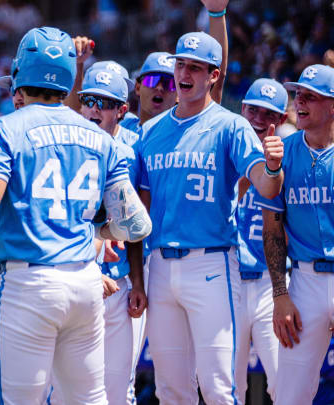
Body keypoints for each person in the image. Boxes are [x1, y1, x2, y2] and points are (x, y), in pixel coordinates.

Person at [0, 27, 151, 404]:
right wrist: (97, 233)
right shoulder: (102, 138)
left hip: (28, 286)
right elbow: (136, 225)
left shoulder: (4, 129)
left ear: (21, 76)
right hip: (85, 284)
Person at [132, 31, 284, 404]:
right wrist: (137, 278)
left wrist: (274, 166)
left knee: (218, 386)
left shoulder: (231, 125)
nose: (185, 73)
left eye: (196, 68)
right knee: (170, 389)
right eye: (181, 63)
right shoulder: (149, 132)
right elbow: (138, 212)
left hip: (212, 264)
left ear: (213, 76)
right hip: (160, 268)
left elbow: (265, 186)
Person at [255, 64, 334, 405]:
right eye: (298, 94)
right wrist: (280, 295)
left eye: (311, 96)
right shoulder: (282, 154)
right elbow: (271, 231)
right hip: (305, 282)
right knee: (290, 396)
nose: (299, 100)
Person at [78, 67, 142, 404]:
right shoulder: (67, 146)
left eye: (105, 103)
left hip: (120, 284)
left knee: (118, 390)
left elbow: (139, 225)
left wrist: (138, 281)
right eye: (88, 100)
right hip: (74, 279)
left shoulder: (134, 149)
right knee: (67, 391)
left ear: (121, 110)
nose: (94, 109)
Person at [234, 78, 289, 402]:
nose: (258, 118)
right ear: (241, 109)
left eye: (268, 114)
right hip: (228, 282)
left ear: (281, 121)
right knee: (227, 388)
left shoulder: (289, 160)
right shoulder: (223, 150)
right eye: (253, 109)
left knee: (285, 381)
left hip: (271, 285)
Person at [120, 52, 178, 133]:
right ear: (138, 87)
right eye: (151, 80)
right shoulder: (119, 127)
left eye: (168, 83)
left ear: (178, 95)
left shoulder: (183, 138)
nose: (159, 88)